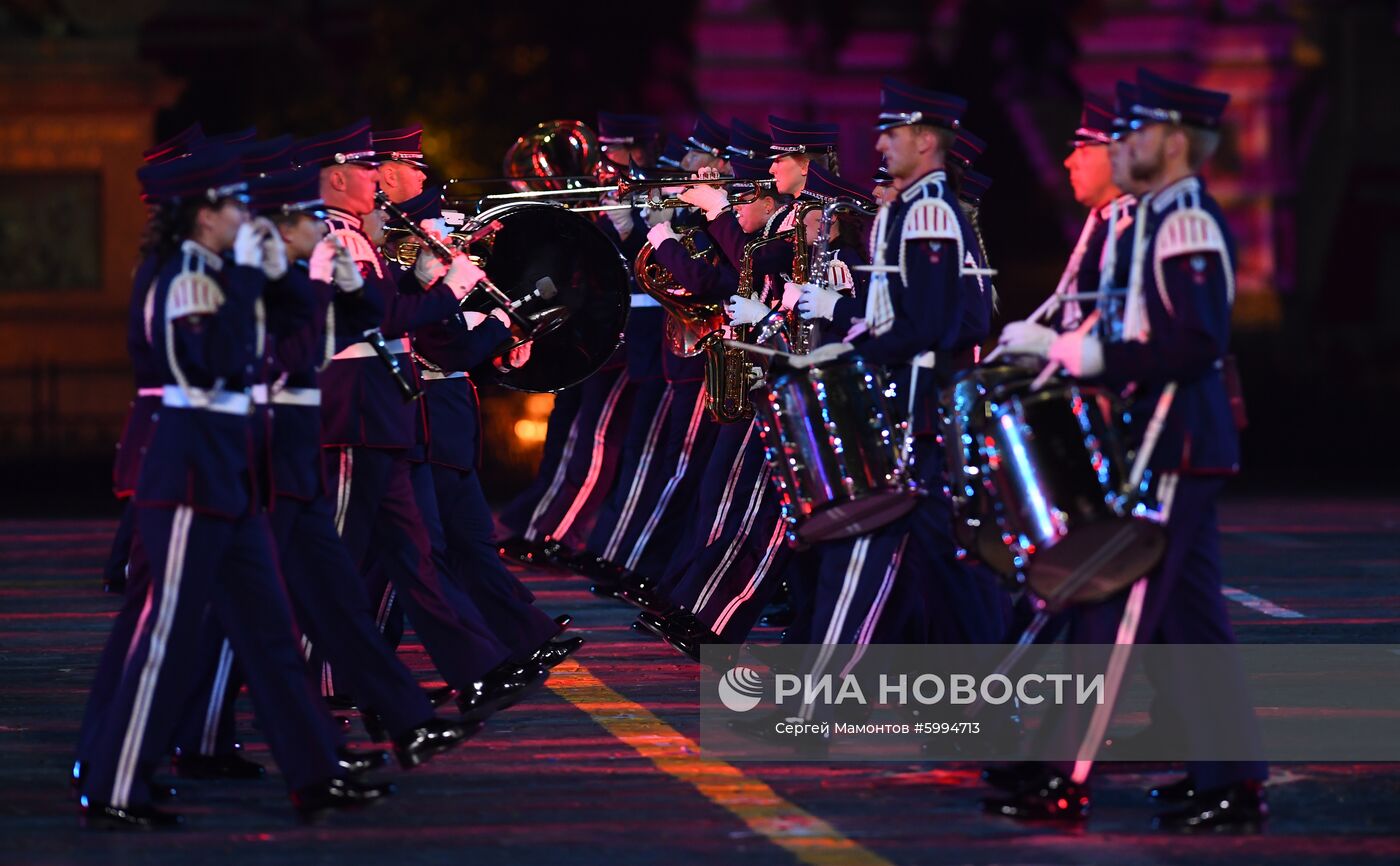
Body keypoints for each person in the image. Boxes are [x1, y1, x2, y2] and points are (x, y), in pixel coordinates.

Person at [983, 68, 1267, 831]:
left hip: (1173, 440)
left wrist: (1084, 357)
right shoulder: (1156, 215)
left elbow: (1194, 341)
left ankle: (1061, 776)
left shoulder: (1184, 221)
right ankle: (1231, 780)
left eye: (1136, 133)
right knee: (1190, 623)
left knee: (1113, 614)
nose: (1122, 145)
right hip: (1166, 440)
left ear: (1173, 142)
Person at [78, 143, 390, 828]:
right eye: (231, 204)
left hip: (232, 472)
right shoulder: (186, 274)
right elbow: (215, 363)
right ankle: (114, 782)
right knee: (169, 632)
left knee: (270, 630)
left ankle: (314, 773)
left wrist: (319, 282)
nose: (244, 214)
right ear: (200, 214)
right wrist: (257, 274)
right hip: (189, 470)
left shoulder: (224, 270)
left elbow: (309, 338)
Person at [300, 120, 546, 722]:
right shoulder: (333, 239)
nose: (376, 180)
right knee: (336, 560)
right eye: (366, 171)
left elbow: (389, 307)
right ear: (337, 178)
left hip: (383, 413)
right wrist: (449, 287)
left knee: (414, 553)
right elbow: (383, 319)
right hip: (356, 411)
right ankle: (310, 683)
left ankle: (478, 667)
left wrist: (429, 278)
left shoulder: (355, 238)